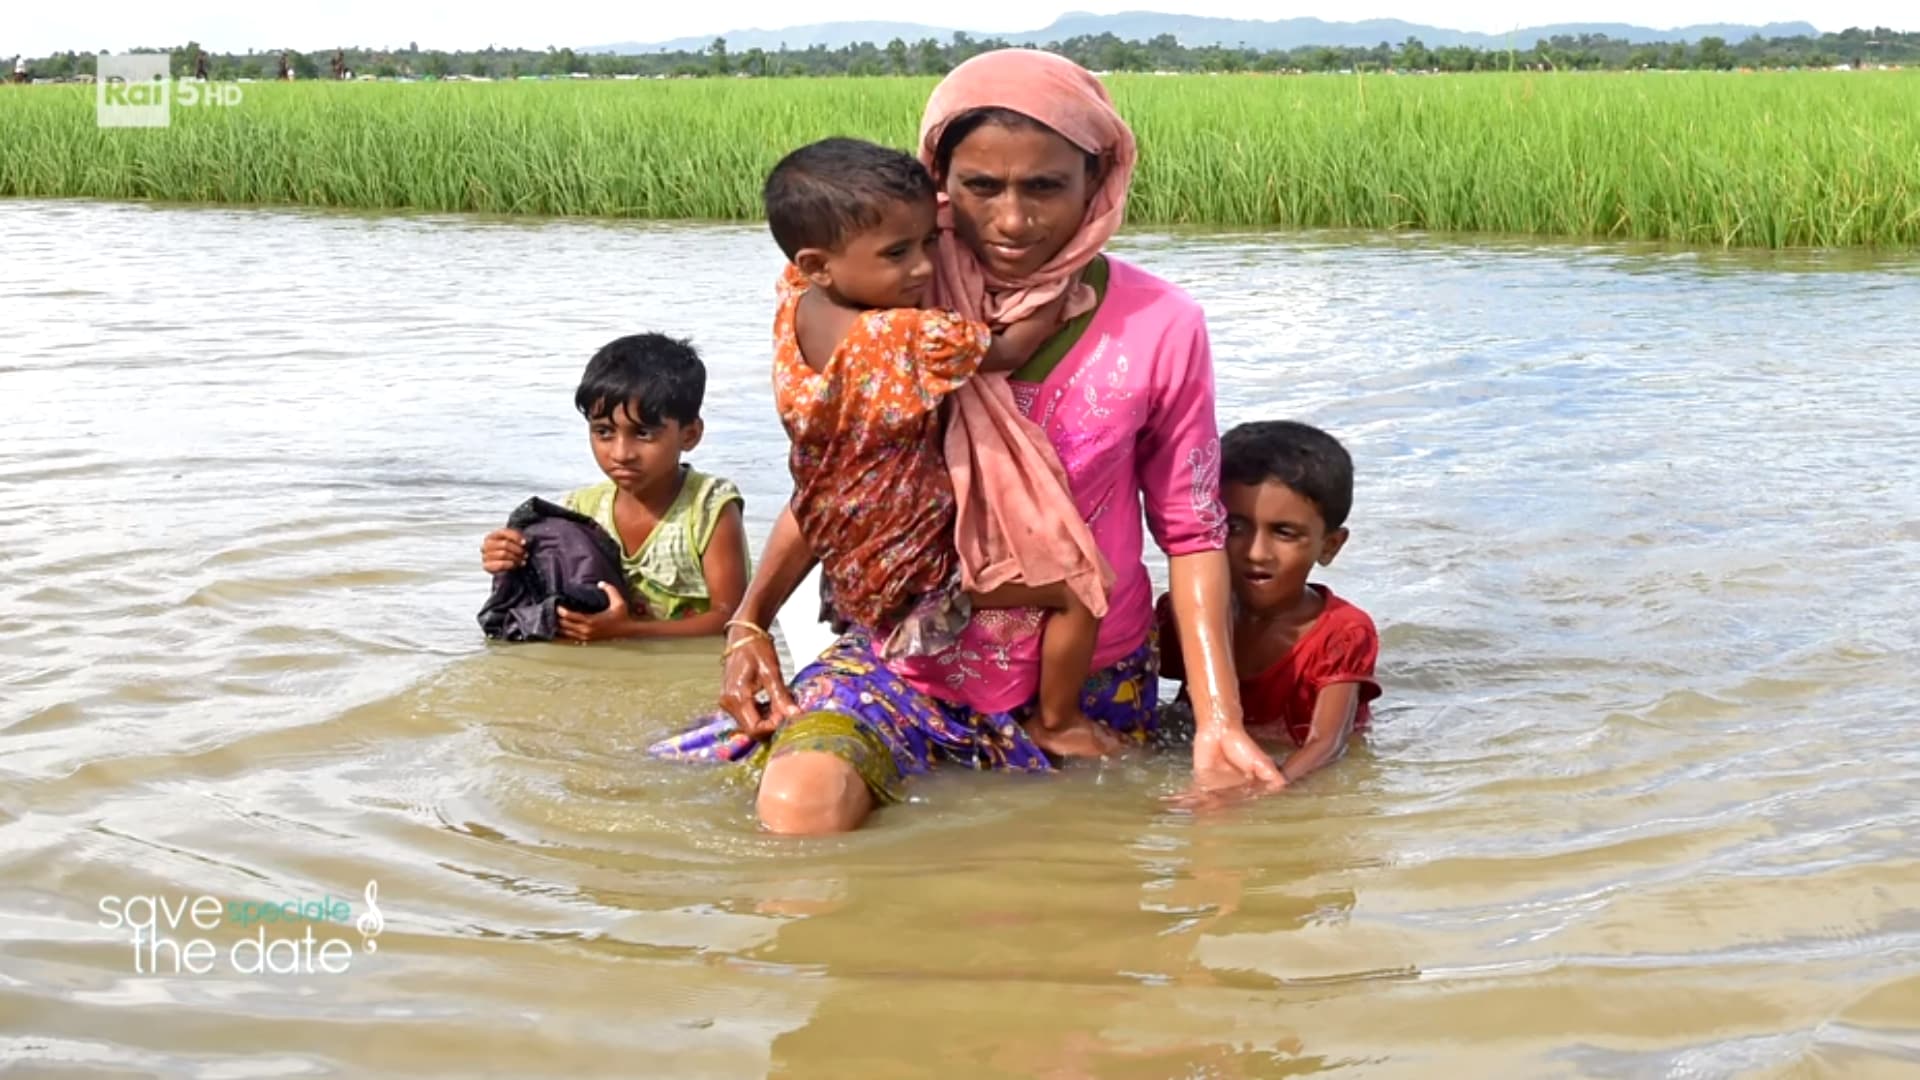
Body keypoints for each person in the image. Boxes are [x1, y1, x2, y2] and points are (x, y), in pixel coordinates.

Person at [714, 49, 1283, 834]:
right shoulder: (888, 297)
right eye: (982, 188)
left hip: (1085, 673)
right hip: (902, 657)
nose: (1013, 221)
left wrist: (1219, 719)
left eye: (1046, 187)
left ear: (1099, 182)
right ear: (939, 182)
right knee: (799, 809)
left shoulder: (1161, 324)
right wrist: (748, 621)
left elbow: (1191, 531)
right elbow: (842, 481)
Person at [757, 136, 1115, 757]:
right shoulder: (907, 335)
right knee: (1077, 590)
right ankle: (1058, 723)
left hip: (844, 553)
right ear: (818, 263)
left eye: (930, 240)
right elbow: (1008, 351)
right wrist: (1059, 295)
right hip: (917, 568)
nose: (925, 267)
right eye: (898, 253)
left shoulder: (794, 304)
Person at [480, 333, 747, 642]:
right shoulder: (578, 511)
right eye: (604, 432)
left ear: (690, 435)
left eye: (643, 434)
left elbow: (732, 617)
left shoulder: (708, 507)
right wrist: (506, 556)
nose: (622, 453)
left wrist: (628, 631)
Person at [1158, 421, 1381, 786]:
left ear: (1329, 546)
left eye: (1284, 533)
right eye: (1235, 527)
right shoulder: (1184, 614)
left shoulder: (1342, 633)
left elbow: (1328, 743)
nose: (1255, 553)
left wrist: (1266, 791)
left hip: (1293, 765)